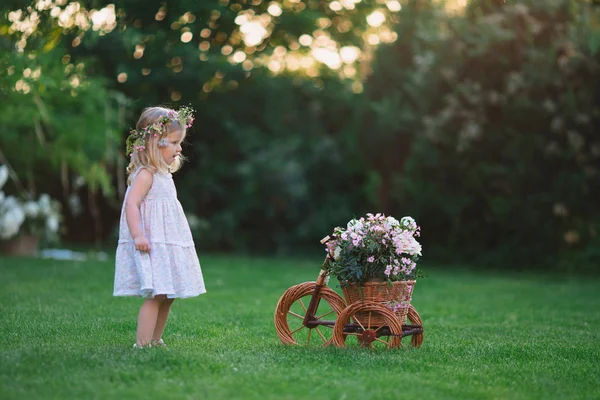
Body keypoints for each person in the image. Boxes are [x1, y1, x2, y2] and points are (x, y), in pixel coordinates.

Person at [113, 105, 206, 349]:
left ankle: (156, 338)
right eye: (174, 142)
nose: (179, 148)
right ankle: (142, 344)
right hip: (152, 243)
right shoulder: (146, 175)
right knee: (156, 294)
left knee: (168, 295)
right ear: (156, 142)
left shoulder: (164, 174)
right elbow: (131, 205)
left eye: (179, 143)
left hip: (168, 243)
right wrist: (138, 235)